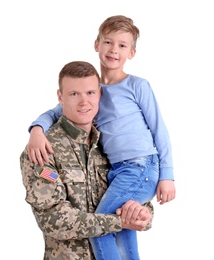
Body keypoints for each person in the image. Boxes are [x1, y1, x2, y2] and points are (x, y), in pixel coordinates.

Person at [27, 15, 176, 260]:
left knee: (109, 225)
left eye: (122, 45)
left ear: (132, 52)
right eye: (108, 42)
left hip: (141, 165)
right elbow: (55, 111)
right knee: (121, 222)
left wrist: (167, 176)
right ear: (97, 44)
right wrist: (36, 129)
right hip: (120, 169)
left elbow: (159, 129)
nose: (114, 50)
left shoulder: (137, 86)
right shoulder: (95, 89)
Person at [20, 61, 153, 260]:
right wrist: (120, 222)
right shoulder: (43, 149)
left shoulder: (111, 144)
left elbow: (135, 189)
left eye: (90, 93)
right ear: (60, 97)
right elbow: (53, 219)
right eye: (74, 94)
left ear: (100, 94)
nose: (84, 102)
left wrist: (143, 213)